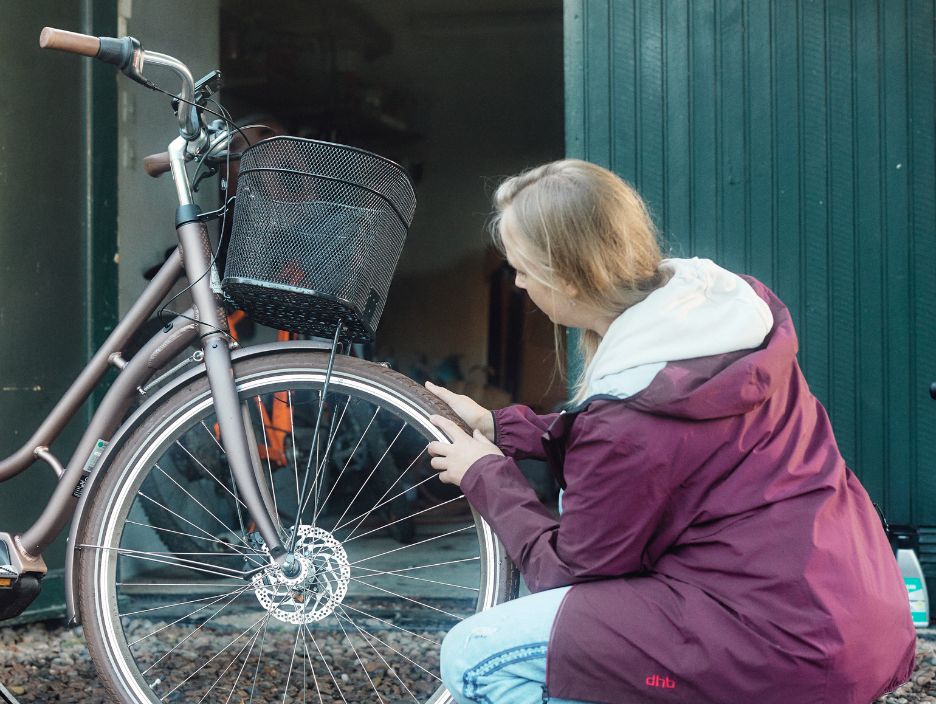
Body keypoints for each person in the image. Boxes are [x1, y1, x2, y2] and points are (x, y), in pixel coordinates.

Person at [424, 159, 916, 704]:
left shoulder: (630, 414)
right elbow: (656, 451)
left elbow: (568, 572)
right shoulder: (726, 317)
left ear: (564, 276)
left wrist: (485, 474)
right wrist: (502, 427)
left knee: (473, 656)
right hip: (852, 619)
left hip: (778, 649)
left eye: (520, 268)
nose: (515, 283)